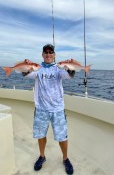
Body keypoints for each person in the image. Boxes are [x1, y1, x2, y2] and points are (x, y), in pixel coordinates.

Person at [22, 44, 75, 174]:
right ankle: (42, 156)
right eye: (45, 52)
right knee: (41, 135)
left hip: (57, 109)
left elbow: (69, 75)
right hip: (41, 108)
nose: (48, 54)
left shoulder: (58, 69)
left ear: (54, 55)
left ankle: (65, 158)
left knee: (62, 136)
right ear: (42, 54)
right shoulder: (38, 69)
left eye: (51, 52)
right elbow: (26, 74)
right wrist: (26, 66)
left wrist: (70, 68)